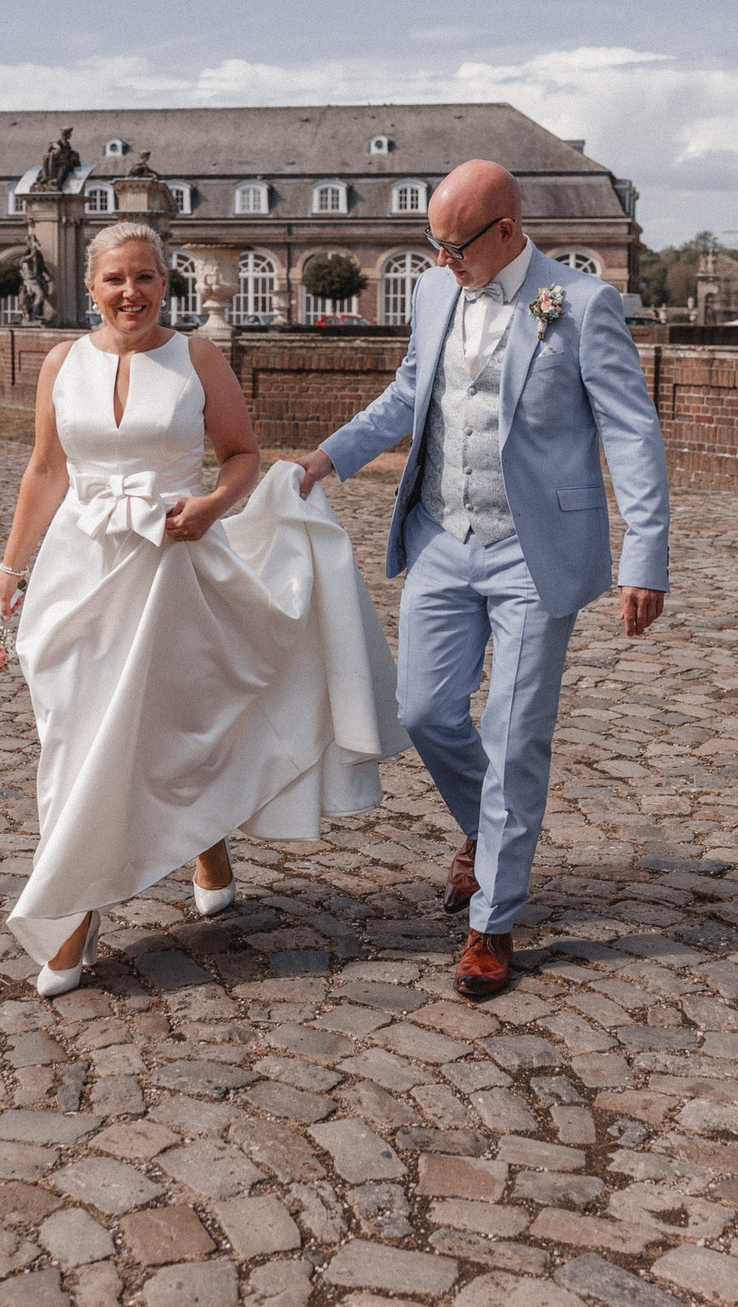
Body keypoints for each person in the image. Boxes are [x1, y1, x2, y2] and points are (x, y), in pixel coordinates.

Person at [0, 222, 401, 995]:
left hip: (169, 568)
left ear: (165, 281)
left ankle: (77, 911)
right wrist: (12, 567)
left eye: (144, 277)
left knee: (164, 721)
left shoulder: (196, 357)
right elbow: (45, 470)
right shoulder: (58, 364)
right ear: (92, 284)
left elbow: (242, 455)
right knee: (73, 733)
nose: (130, 293)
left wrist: (212, 505)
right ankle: (131, 874)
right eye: (115, 279)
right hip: (77, 574)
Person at [297, 160, 669, 999]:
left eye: (452, 244)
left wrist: (645, 553)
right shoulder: (435, 293)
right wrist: (326, 459)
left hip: (534, 550)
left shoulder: (579, 304)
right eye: (430, 242)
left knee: (513, 735)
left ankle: (492, 924)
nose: (438, 260)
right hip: (440, 534)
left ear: (505, 230)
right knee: (423, 708)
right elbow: (407, 395)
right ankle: (484, 826)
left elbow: (632, 432)